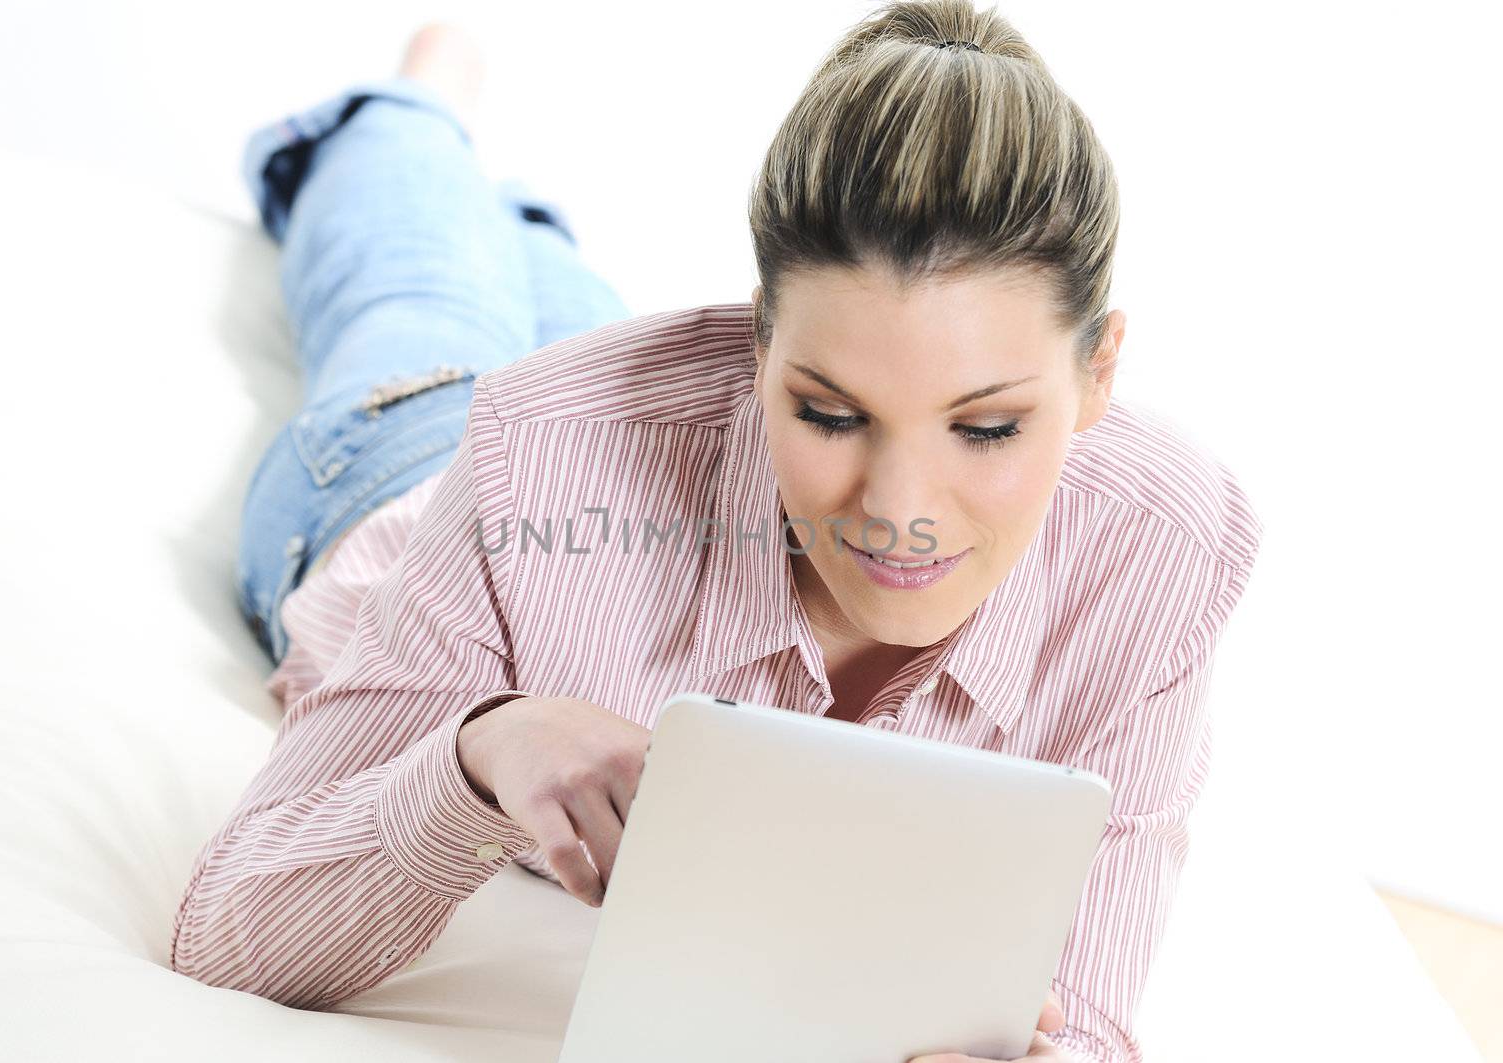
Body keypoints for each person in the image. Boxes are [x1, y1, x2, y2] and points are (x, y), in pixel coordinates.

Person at [171, 5, 1264, 1062]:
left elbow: (1086, 1020)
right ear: (759, 345)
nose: (902, 510)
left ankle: (531, 227)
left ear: (1098, 372)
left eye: (986, 427)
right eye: (829, 414)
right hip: (399, 468)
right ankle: (422, 101)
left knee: (556, 294)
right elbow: (228, 932)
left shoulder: (1163, 542)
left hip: (640, 408)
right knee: (412, 288)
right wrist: (479, 751)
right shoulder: (534, 453)